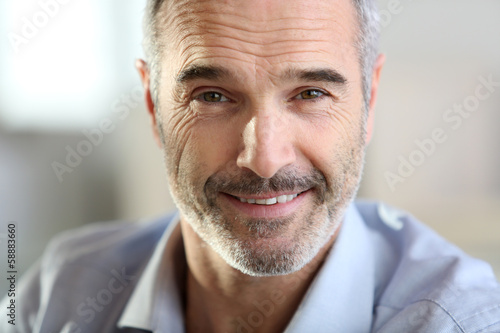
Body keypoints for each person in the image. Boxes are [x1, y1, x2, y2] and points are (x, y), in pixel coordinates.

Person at [2, 0, 500, 332]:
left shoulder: (462, 320)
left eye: (310, 94)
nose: (264, 159)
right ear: (153, 106)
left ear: (370, 99)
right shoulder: (58, 295)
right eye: (213, 96)